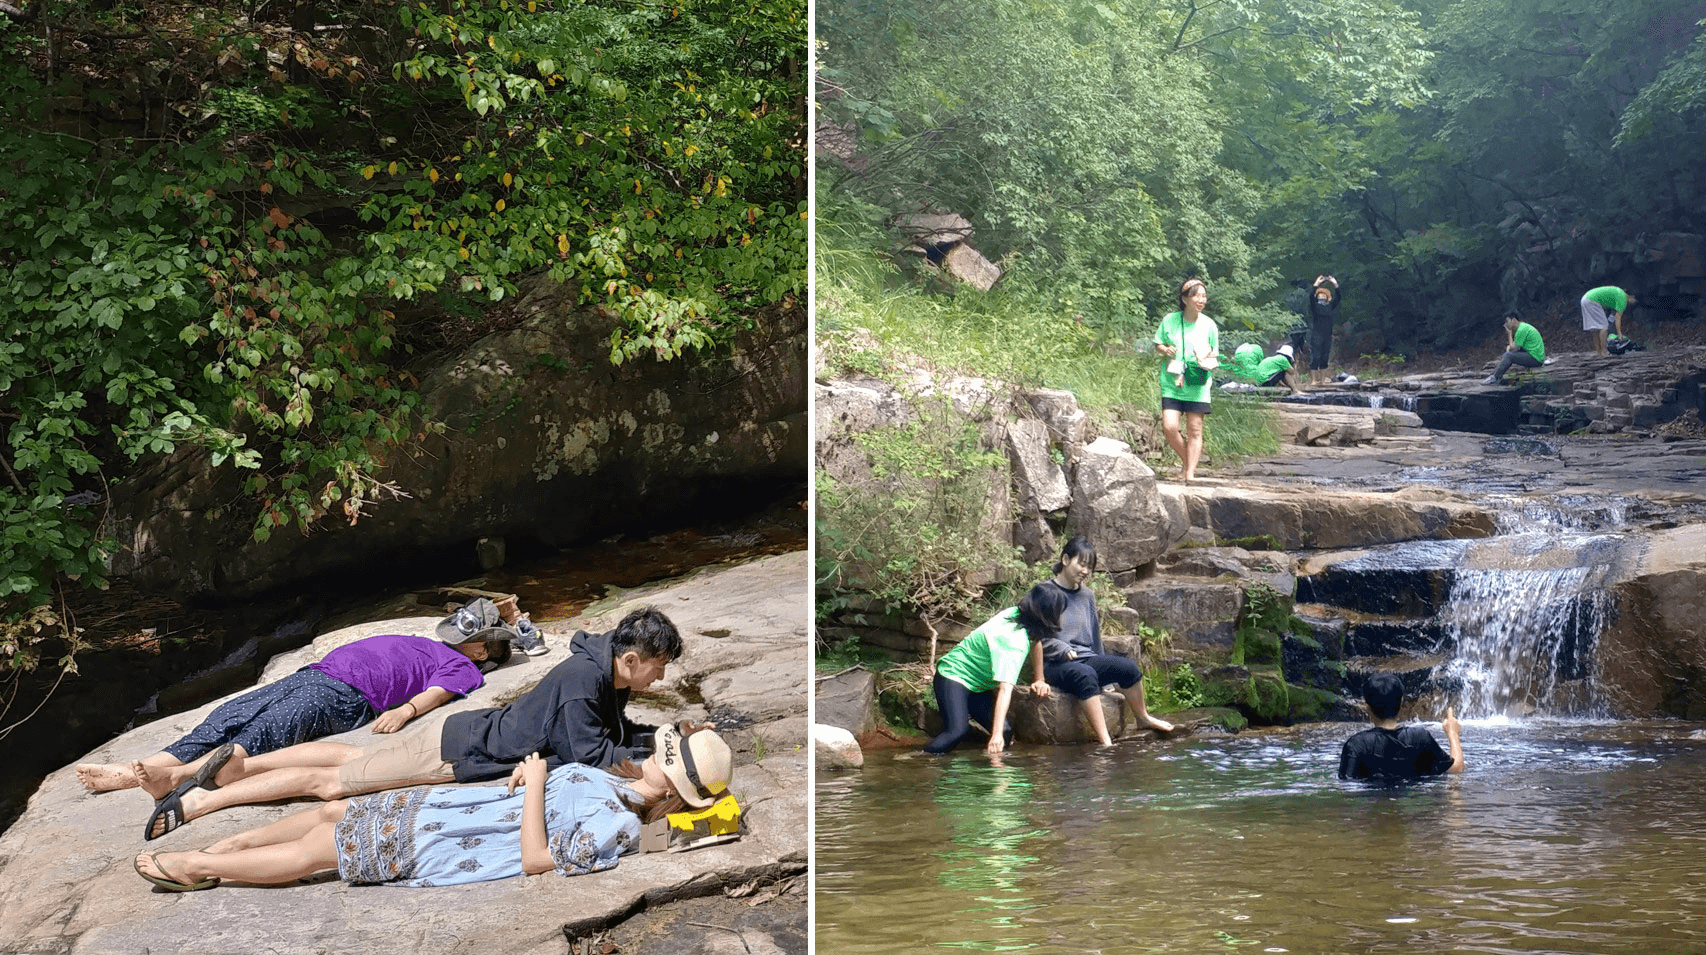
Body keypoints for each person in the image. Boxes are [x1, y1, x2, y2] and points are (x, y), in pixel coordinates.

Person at [135, 606, 682, 841]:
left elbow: (604, 738)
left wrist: (659, 740)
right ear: (631, 659)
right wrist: (657, 763)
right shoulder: (584, 680)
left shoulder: (599, 674)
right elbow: (590, 754)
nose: (660, 678)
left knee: (352, 761)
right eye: (658, 667)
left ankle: (242, 767)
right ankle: (200, 800)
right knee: (331, 784)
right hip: (458, 754)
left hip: (462, 733)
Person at [131, 723, 731, 892]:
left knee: (321, 853)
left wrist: (534, 782)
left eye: (668, 759)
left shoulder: (620, 826)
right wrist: (530, 778)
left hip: (450, 842)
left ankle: (200, 868)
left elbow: (535, 860)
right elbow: (543, 794)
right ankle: (227, 846)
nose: (658, 753)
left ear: (674, 788)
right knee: (331, 816)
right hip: (448, 807)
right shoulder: (619, 783)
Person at [76, 625, 511, 794]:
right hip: (315, 673)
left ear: (481, 652)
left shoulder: (461, 666)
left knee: (262, 732)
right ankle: (141, 768)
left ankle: (173, 780)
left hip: (347, 694)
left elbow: (440, 692)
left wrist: (407, 711)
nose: (460, 635)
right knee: (226, 716)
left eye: (474, 637)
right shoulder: (431, 642)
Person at [1031, 536, 1174, 745]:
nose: (1085, 571)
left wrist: (1105, 676)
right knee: (1085, 674)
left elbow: (1094, 636)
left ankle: (1143, 718)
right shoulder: (1044, 592)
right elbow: (1035, 638)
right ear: (1065, 559)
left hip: (1086, 658)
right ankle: (1106, 743)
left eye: (1089, 567)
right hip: (1056, 664)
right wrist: (1042, 674)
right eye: (1081, 564)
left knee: (1128, 668)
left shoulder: (1087, 596)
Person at [924, 585, 1064, 756]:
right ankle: (920, 760)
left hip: (978, 686)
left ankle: (986, 769)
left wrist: (1040, 678)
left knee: (1005, 730)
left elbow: (1036, 640)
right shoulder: (1013, 642)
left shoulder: (1017, 614)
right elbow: (1005, 689)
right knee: (956, 732)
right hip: (953, 675)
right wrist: (995, 736)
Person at [1337, 672, 1464, 780]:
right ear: (1402, 702)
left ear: (1367, 707)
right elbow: (1455, 769)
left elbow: (1348, 790)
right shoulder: (1420, 737)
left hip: (1373, 806)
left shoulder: (1357, 744)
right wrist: (1453, 734)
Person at [1153, 277, 1219, 481]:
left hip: (1197, 382)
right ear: (1184, 299)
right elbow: (1158, 344)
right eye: (1196, 296)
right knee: (1170, 427)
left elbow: (1215, 355)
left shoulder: (1209, 325)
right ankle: (1187, 461)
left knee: (1195, 429)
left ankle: (1189, 473)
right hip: (1172, 380)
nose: (1201, 300)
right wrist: (1165, 349)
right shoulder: (1170, 320)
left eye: (1204, 296)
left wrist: (1205, 358)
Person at [1292, 274, 1341, 387]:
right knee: (1316, 357)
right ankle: (1314, 380)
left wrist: (1335, 285)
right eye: (1320, 294)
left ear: (1328, 297)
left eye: (1325, 294)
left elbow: (1338, 297)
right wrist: (1316, 285)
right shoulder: (1315, 306)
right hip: (1317, 334)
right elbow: (1311, 297)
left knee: (1325, 357)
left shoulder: (1330, 306)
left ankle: (1323, 380)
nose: (1322, 296)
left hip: (1327, 335)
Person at [1484, 310, 1545, 385]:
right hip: (1534, 355)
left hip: (1536, 359)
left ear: (1513, 320)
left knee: (1508, 356)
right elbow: (1515, 348)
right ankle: (1493, 375)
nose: (1505, 324)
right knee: (1507, 355)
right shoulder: (1523, 327)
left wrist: (1509, 333)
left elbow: (1513, 349)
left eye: (1507, 321)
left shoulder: (1521, 329)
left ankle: (1495, 378)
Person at [1580, 286, 1634, 357]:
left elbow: (1613, 315)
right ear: (1631, 297)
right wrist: (1620, 335)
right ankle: (1604, 352)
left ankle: (1599, 352)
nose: (1634, 303)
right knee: (1603, 327)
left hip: (1585, 299)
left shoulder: (1619, 294)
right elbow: (1618, 318)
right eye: (1634, 301)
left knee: (1596, 328)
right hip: (1592, 301)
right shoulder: (1623, 298)